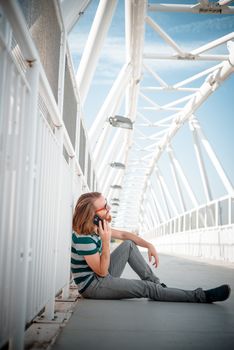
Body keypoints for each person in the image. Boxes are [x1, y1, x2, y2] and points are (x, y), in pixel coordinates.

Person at [71, 192, 231, 303]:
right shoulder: (85, 239)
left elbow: (126, 236)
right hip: (93, 287)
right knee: (146, 289)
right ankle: (201, 296)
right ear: (94, 215)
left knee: (128, 245)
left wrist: (148, 245)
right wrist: (106, 242)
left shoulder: (95, 228)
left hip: (99, 277)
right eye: (105, 207)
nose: (109, 208)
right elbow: (103, 272)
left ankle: (157, 285)